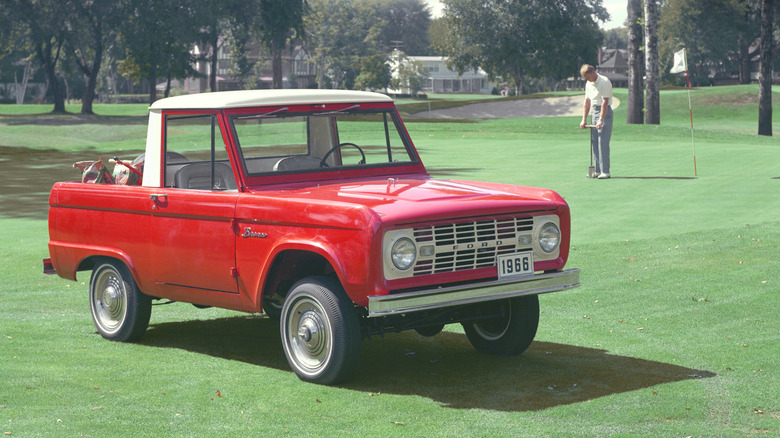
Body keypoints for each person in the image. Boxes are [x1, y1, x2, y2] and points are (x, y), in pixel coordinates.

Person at [579, 64, 613, 179]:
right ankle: (597, 170)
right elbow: (587, 102)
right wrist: (584, 119)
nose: (588, 80)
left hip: (605, 112)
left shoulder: (604, 81)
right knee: (594, 142)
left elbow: (605, 102)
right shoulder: (589, 83)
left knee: (602, 142)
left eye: (588, 77)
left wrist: (601, 120)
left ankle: (605, 171)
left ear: (593, 72)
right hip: (594, 111)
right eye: (586, 78)